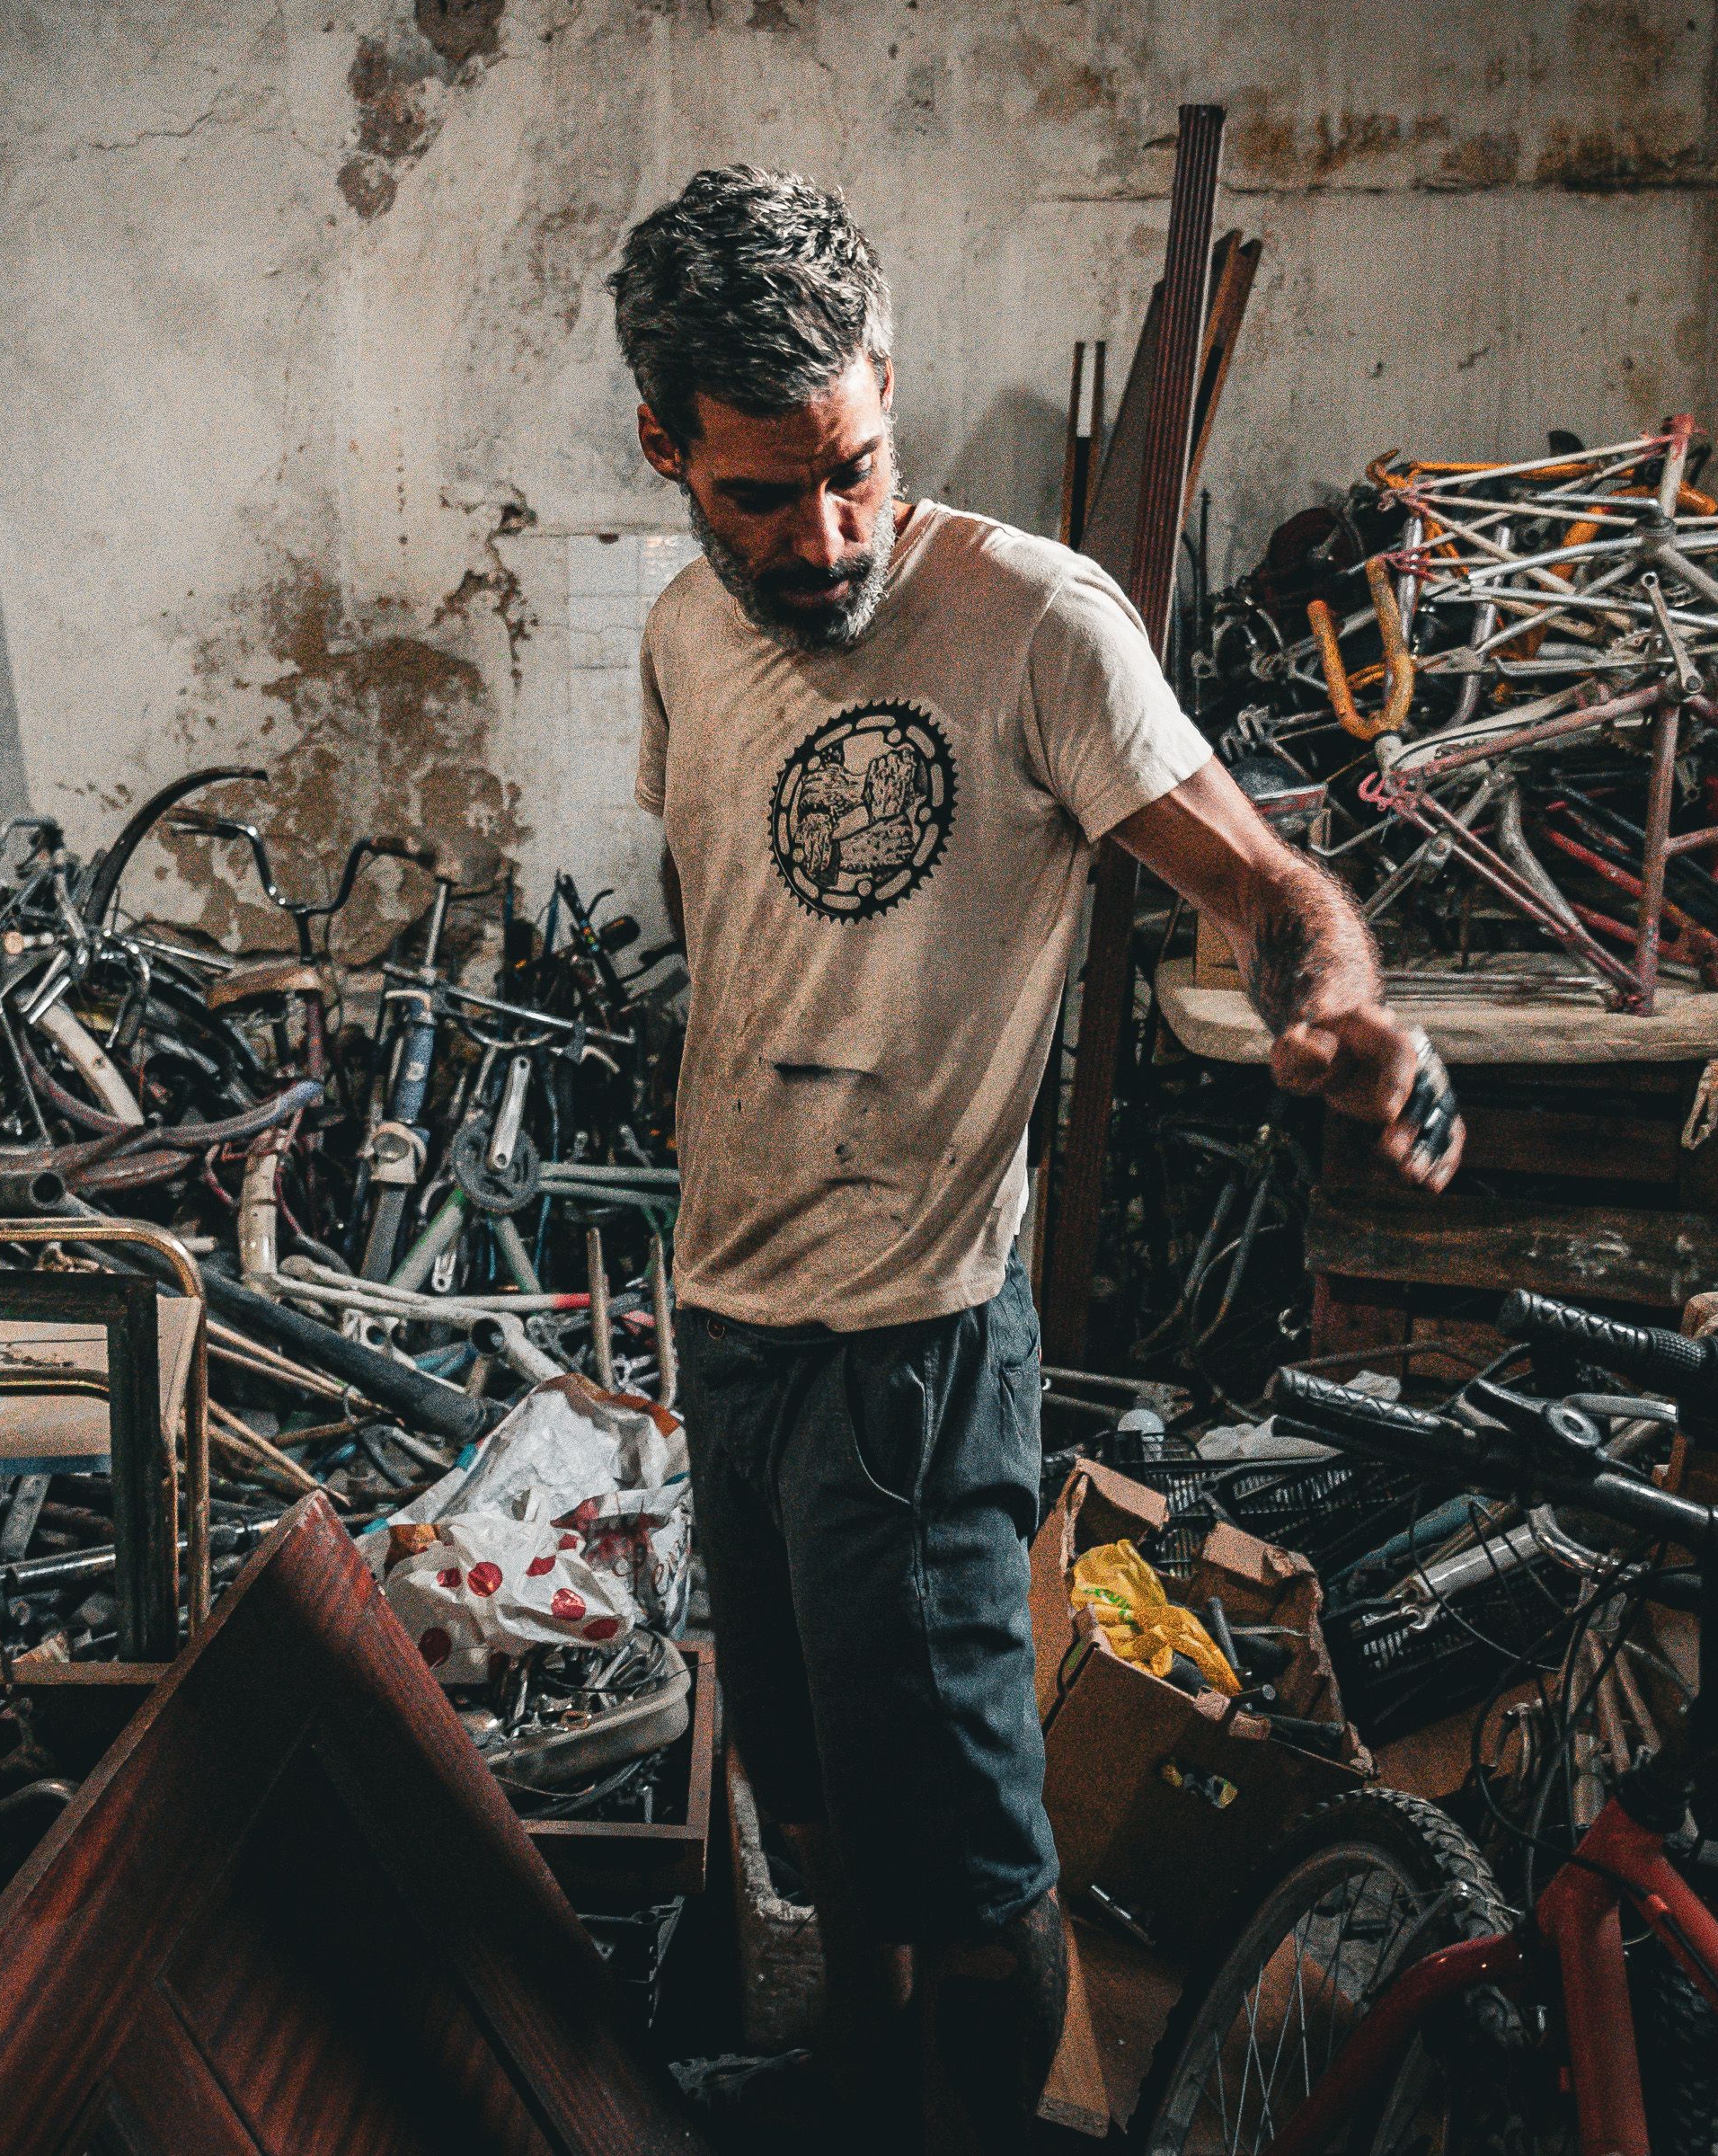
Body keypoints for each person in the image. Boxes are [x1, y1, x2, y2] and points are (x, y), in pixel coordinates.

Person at [615, 166, 1461, 2150]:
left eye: (850, 468)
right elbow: (728, 927)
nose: (820, 538)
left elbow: (1262, 883)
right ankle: (854, 2093)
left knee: (974, 1870)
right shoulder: (677, 637)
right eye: (756, 495)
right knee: (815, 1818)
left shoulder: (1033, 622)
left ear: (885, 390)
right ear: (662, 445)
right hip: (726, 1320)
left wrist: (1337, 1008)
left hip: (909, 1348)